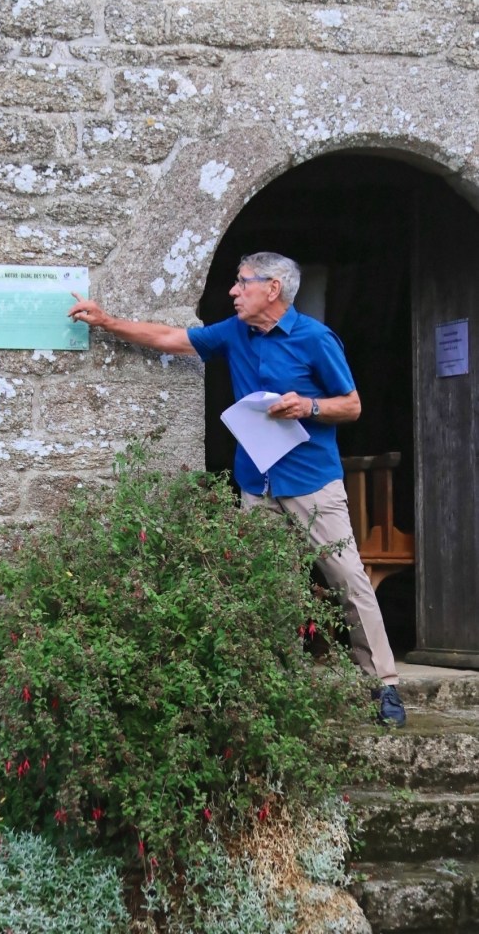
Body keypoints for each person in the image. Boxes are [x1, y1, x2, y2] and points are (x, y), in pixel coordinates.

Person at [69, 251, 406, 727]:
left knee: (349, 581)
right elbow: (169, 338)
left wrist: (307, 407)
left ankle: (382, 687)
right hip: (257, 482)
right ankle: (267, 689)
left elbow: (350, 406)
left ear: (273, 289)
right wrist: (107, 322)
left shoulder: (315, 338)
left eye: (242, 282)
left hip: (312, 481)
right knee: (260, 587)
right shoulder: (232, 333)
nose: (233, 291)